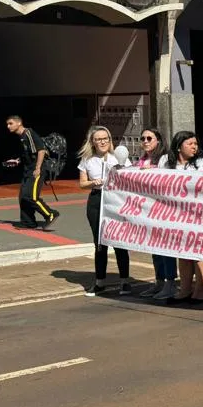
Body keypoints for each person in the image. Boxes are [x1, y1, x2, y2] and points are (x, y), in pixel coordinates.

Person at [76, 124, 130, 297]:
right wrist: (94, 182)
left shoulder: (118, 157)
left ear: (110, 140)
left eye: (105, 138)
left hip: (115, 200)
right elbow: (82, 183)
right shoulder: (87, 159)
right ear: (92, 142)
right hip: (96, 199)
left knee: (119, 242)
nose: (102, 142)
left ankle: (125, 282)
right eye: (98, 139)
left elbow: (130, 178)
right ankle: (100, 282)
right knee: (99, 243)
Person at [165, 131, 203, 304]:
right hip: (176, 216)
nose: (194, 147)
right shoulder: (167, 163)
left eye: (196, 144)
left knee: (200, 253)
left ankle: (200, 291)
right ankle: (185, 290)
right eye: (190, 144)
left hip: (199, 215)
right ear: (179, 147)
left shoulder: (201, 164)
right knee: (182, 253)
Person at [134, 127, 177, 300]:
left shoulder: (165, 159)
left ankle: (170, 282)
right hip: (148, 210)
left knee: (166, 248)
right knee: (154, 248)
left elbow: (167, 179)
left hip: (164, 210)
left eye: (149, 138)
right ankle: (159, 281)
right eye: (143, 138)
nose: (145, 141)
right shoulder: (141, 160)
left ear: (158, 140)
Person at [4, 114, 58, 228]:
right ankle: (28, 222)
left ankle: (50, 214)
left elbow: (41, 150)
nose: (8, 126)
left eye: (10, 123)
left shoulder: (29, 133)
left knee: (31, 196)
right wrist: (17, 161)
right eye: (7, 124)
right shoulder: (22, 137)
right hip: (28, 170)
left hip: (36, 170)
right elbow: (28, 154)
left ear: (19, 123)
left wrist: (38, 168)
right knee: (23, 197)